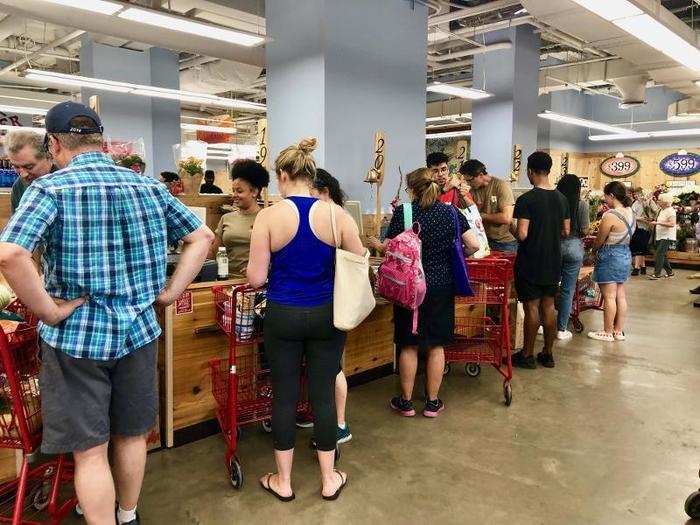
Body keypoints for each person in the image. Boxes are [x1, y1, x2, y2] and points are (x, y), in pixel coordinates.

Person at [0, 101, 213, 525]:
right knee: (132, 434)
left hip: (77, 340)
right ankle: (128, 514)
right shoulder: (149, 186)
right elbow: (202, 236)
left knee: (90, 451)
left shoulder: (50, 189)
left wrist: (48, 312)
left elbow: (10, 254)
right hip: (138, 332)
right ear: (102, 140)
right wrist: (169, 293)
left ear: (54, 144)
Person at [247, 138, 364, 502]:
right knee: (323, 396)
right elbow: (358, 259)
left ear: (283, 175)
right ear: (311, 176)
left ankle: (283, 481)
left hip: (283, 315)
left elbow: (255, 278)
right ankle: (329, 478)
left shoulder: (268, 216)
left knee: (284, 396)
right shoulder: (336, 215)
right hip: (327, 317)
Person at [385, 168, 480, 418]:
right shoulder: (451, 213)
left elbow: (391, 248)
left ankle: (405, 402)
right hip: (440, 286)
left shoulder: (403, 212)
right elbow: (474, 244)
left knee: (409, 345)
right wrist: (458, 256)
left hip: (409, 288)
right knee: (436, 345)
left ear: (413, 190)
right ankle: (432, 402)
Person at [511, 152, 570, 369]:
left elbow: (523, 234)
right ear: (549, 169)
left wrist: (511, 227)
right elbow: (566, 231)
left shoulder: (527, 200)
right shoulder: (562, 199)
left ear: (530, 171)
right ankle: (547, 353)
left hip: (531, 261)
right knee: (549, 305)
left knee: (531, 308)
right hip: (554, 260)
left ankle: (526, 355)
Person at [311, 168, 351, 444]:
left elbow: (356, 256)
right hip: (327, 300)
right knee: (325, 365)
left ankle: (339, 424)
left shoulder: (337, 218)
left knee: (332, 367)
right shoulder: (326, 216)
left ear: (323, 192)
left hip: (334, 301)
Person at [588, 181, 635, 342]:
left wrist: (593, 252)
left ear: (612, 196)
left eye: (606, 196)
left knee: (608, 296)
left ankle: (607, 331)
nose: (604, 199)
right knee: (620, 296)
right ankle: (618, 331)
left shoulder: (610, 215)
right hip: (625, 253)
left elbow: (600, 239)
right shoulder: (631, 212)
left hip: (610, 255)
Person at [211, 159, 269, 279]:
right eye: (233, 191)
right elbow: (214, 253)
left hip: (254, 283)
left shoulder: (267, 218)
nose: (234, 195)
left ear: (254, 192)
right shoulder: (226, 218)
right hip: (226, 281)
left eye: (239, 191)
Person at [552, 174, 590, 340]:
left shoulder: (553, 202)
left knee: (548, 286)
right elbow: (585, 229)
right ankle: (561, 329)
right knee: (568, 290)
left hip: (553, 246)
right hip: (574, 246)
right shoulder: (582, 205)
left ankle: (541, 324)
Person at [460, 158, 517, 252]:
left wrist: (481, 216)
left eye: (470, 180)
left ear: (481, 175)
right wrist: (464, 197)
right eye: (466, 181)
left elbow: (506, 218)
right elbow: (468, 214)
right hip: (483, 241)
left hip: (504, 243)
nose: (468, 183)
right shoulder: (472, 189)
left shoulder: (501, 186)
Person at [4, 130, 55, 212]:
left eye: (29, 167)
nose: (23, 175)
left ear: (48, 156)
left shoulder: (65, 183)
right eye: (16, 166)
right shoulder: (19, 186)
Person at [649, 193, 676, 280]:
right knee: (662, 254)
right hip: (660, 235)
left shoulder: (671, 211)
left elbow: (672, 224)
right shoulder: (661, 210)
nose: (658, 201)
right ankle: (670, 272)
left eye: (660, 200)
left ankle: (657, 274)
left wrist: (658, 223)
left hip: (667, 236)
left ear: (665, 202)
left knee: (659, 254)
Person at [630, 188, 656, 275]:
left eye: (638, 194)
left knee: (640, 248)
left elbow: (655, 213)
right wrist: (640, 218)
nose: (636, 196)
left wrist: (647, 203)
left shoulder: (650, 202)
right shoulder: (635, 203)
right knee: (640, 248)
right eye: (635, 195)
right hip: (637, 227)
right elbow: (632, 216)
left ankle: (637, 268)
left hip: (646, 228)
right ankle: (643, 267)